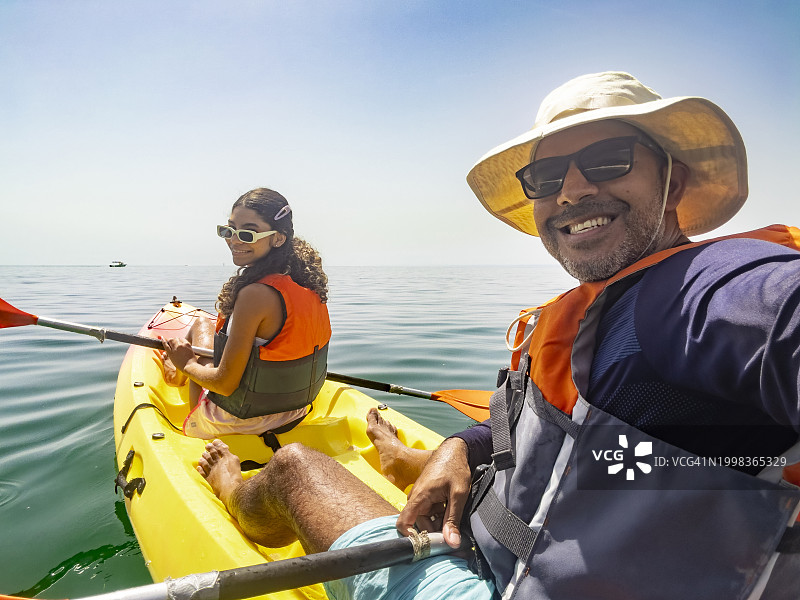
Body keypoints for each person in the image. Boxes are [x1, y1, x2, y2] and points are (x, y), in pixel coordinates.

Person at [196, 73, 800, 599]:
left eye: (610, 159)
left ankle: (229, 485)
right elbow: (542, 434)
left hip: (496, 586)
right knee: (459, 449)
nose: (573, 189)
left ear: (673, 182)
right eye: (546, 176)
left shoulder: (706, 291)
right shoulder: (601, 310)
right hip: (503, 543)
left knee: (298, 467)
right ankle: (412, 460)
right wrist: (461, 446)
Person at [161, 187, 331, 441]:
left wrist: (186, 363)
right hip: (294, 415)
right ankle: (180, 368)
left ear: (278, 238)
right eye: (228, 230)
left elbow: (223, 384)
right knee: (203, 324)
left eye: (248, 233)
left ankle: (176, 372)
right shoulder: (308, 284)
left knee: (197, 343)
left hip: (238, 423)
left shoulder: (255, 295)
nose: (235, 240)